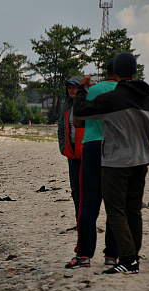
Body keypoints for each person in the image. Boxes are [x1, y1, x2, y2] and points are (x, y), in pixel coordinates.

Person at [73, 52, 149, 274]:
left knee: (116, 211)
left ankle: (128, 260)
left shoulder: (113, 97)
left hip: (117, 162)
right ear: (134, 71)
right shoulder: (148, 97)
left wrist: (82, 88)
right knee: (134, 211)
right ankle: (132, 258)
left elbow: (81, 112)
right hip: (141, 159)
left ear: (114, 72)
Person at [66, 61, 119, 269]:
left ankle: (84, 254)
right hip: (116, 147)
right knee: (114, 204)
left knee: (88, 204)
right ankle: (112, 255)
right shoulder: (124, 92)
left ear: (105, 72)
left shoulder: (93, 90)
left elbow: (78, 121)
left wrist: (83, 87)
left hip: (92, 146)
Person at [57, 76, 84, 222]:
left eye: (74, 87)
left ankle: (85, 221)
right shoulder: (66, 108)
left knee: (86, 188)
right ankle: (79, 220)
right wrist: (63, 147)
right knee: (75, 189)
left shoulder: (86, 105)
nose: (71, 90)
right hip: (71, 152)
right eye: (69, 88)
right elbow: (61, 128)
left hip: (85, 152)